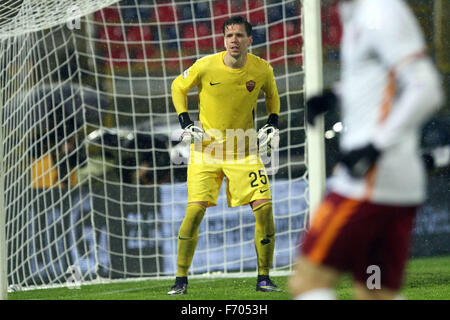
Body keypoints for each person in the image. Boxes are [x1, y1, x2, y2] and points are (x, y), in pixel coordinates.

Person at [289, 0, 444, 300]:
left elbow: (426, 88)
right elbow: (379, 82)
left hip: (370, 178)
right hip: (390, 180)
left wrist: (375, 146)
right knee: (374, 291)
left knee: (308, 281)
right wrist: (335, 95)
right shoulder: (362, 13)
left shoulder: (379, 13)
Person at [167, 16, 281, 295]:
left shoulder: (262, 69)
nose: (234, 40)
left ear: (249, 40)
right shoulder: (205, 66)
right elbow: (177, 87)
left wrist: (273, 123)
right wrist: (185, 121)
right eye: (229, 35)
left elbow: (273, 96)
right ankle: (180, 279)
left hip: (244, 152)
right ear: (223, 39)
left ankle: (264, 278)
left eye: (240, 35)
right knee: (194, 212)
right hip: (206, 151)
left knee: (265, 209)